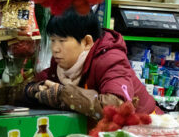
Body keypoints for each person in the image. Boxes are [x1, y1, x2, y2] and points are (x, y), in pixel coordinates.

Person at [25, 8, 160, 119]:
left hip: (146, 129)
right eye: (53, 40)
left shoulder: (110, 60)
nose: (55, 48)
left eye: (62, 41)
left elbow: (119, 106)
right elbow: (40, 82)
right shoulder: (61, 65)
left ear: (87, 42)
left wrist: (64, 94)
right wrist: (31, 90)